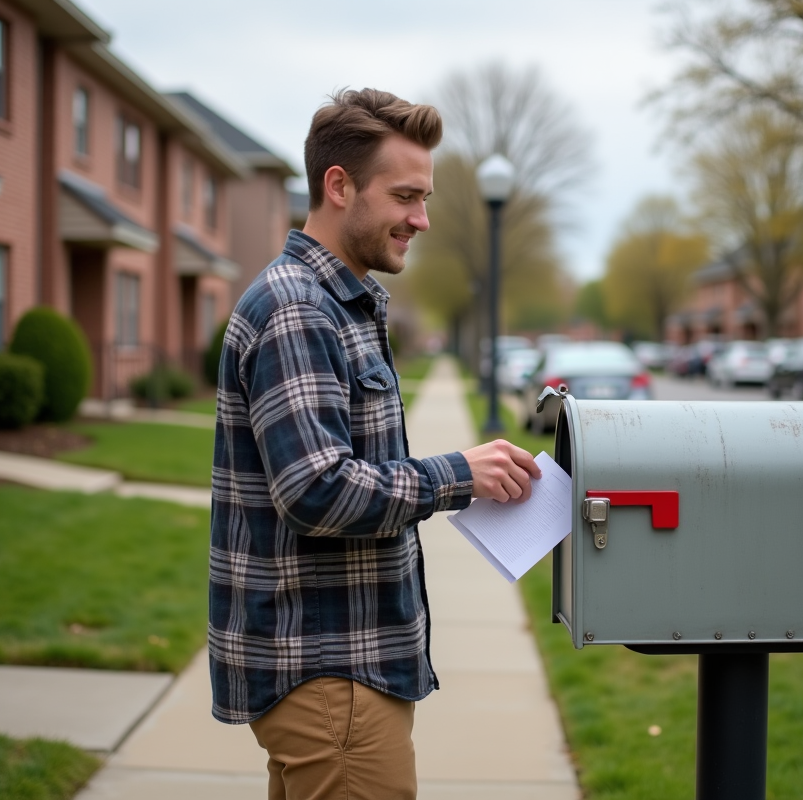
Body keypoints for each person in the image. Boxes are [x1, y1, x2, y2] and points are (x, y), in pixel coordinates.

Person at [209, 88, 541, 800]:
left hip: (342, 669)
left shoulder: (341, 303)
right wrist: (459, 475)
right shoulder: (298, 308)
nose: (421, 219)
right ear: (339, 186)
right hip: (329, 672)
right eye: (405, 197)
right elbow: (316, 490)